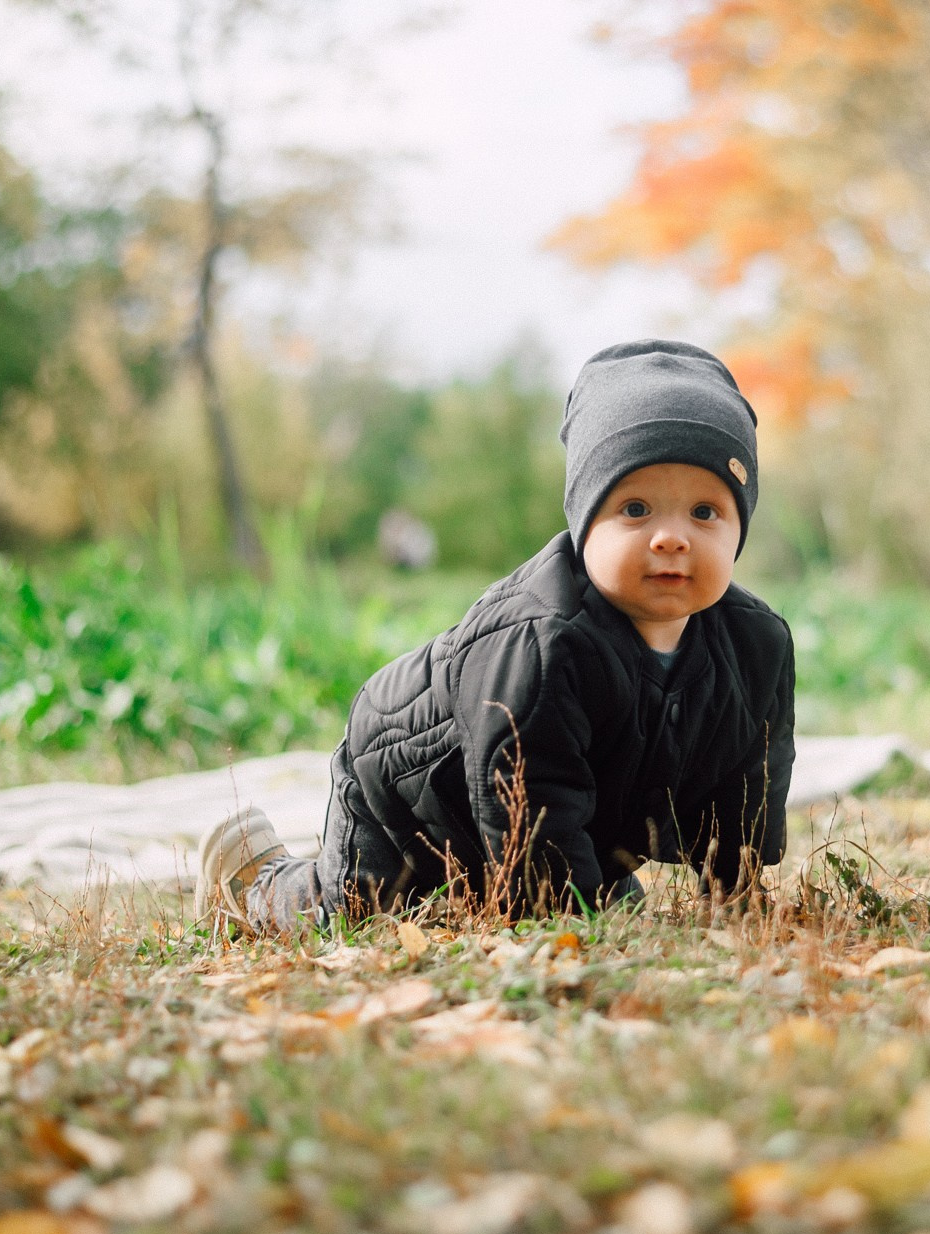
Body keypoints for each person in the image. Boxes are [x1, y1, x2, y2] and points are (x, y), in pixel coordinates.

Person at [193, 340, 796, 930]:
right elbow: (529, 798)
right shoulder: (540, 642)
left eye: (705, 512)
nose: (672, 537)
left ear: (739, 525)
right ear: (584, 525)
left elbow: (747, 778)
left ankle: (570, 883)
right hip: (412, 796)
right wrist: (574, 916)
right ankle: (254, 875)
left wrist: (734, 891)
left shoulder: (754, 644)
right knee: (350, 914)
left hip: (567, 813)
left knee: (596, 893)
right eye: (635, 509)